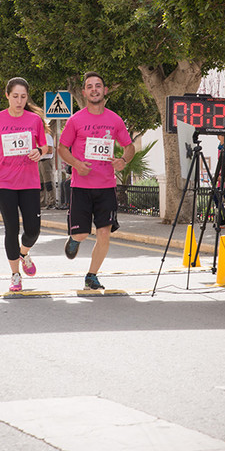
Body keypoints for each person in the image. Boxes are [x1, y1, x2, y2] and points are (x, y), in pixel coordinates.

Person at [58, 71, 134, 290]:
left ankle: (92, 275)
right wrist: (76, 164)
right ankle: (75, 238)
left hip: (106, 187)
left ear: (105, 90)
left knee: (104, 233)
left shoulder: (115, 119)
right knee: (81, 233)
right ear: (84, 92)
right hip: (81, 187)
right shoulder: (76, 120)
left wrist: (123, 160)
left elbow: (129, 146)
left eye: (98, 86)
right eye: (90, 86)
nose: (94, 89)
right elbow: (62, 148)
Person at [0, 77, 47, 293]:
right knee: (11, 229)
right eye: (15, 96)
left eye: (23, 97)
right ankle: (15, 275)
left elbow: (45, 146)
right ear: (7, 95)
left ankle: (24, 253)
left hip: (29, 182)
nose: (19, 101)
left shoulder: (34, 120)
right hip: (4, 182)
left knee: (33, 230)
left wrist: (39, 151)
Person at [39, 123, 56, 209]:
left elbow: (50, 150)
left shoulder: (46, 136)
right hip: (39, 160)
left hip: (46, 160)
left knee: (48, 182)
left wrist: (39, 151)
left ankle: (51, 201)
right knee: (41, 183)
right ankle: (42, 202)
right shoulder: (37, 137)